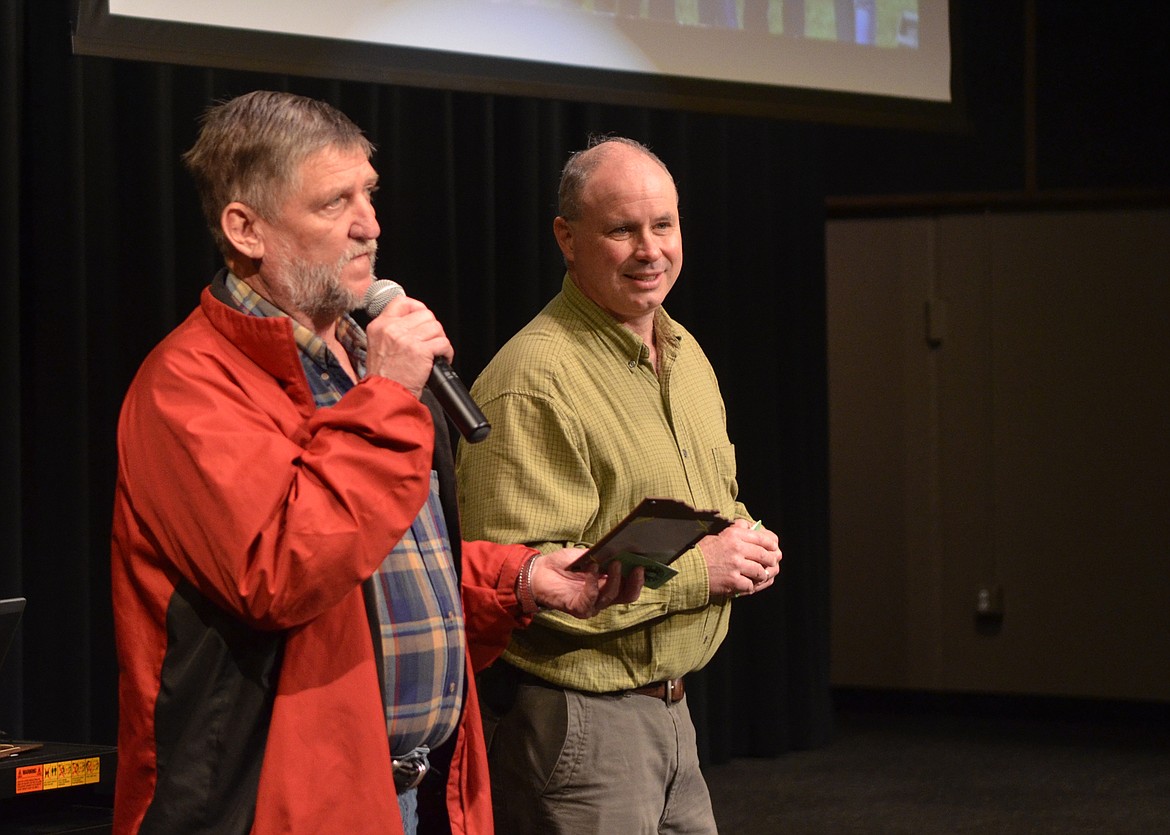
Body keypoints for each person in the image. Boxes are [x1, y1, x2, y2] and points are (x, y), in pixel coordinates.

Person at [109, 91, 642, 835]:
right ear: (245, 228)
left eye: (370, 194)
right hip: (281, 807)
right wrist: (390, 394)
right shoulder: (189, 385)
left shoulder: (366, 361)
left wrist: (517, 581)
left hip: (425, 790)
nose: (370, 226)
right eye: (336, 203)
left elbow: (386, 567)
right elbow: (284, 568)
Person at [455, 136, 783, 834]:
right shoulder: (532, 379)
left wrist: (744, 535)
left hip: (672, 713)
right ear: (567, 239)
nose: (650, 249)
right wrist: (702, 571)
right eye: (622, 229)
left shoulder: (684, 352)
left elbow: (704, 502)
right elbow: (528, 585)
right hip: (578, 725)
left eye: (663, 225)